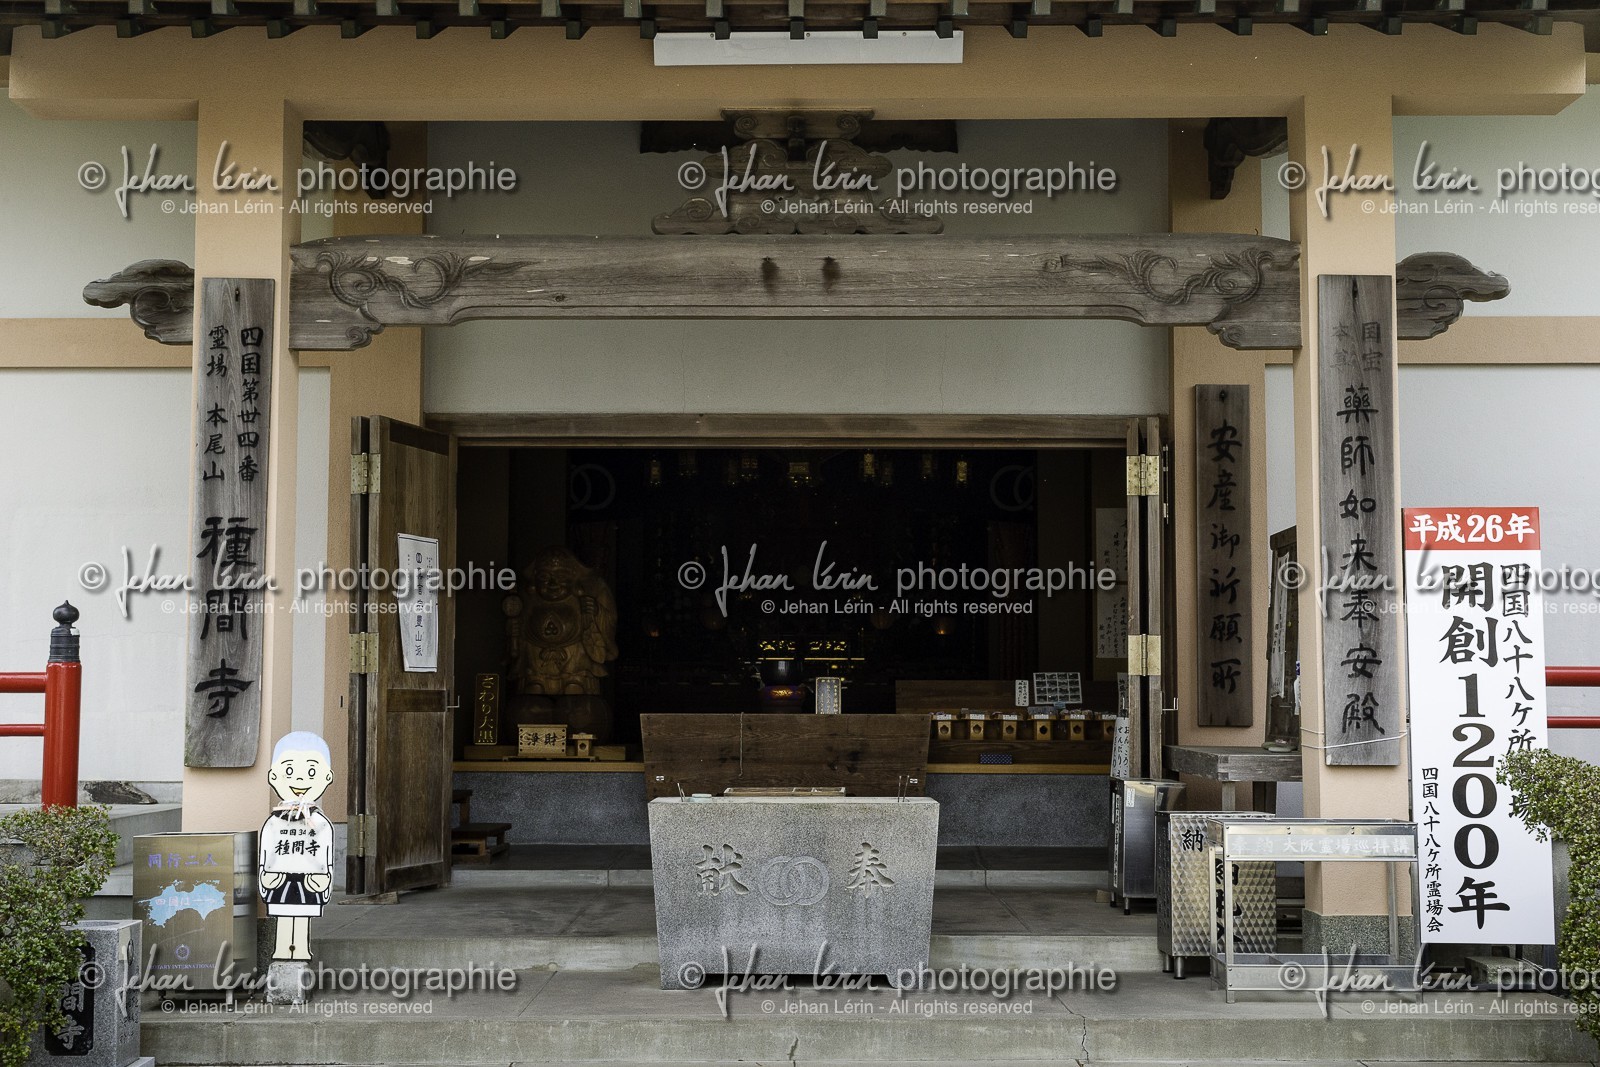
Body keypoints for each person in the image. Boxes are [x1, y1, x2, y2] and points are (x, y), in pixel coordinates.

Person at [258, 731, 335, 961]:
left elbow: (326, 856)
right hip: (279, 881)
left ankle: (300, 949)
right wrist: (265, 875)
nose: (300, 780)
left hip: (309, 883)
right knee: (284, 916)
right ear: (273, 776)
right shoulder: (273, 823)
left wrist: (324, 879)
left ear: (327, 777)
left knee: (302, 917)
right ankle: (282, 950)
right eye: (289, 771)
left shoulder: (320, 823)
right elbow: (266, 853)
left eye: (312, 772)